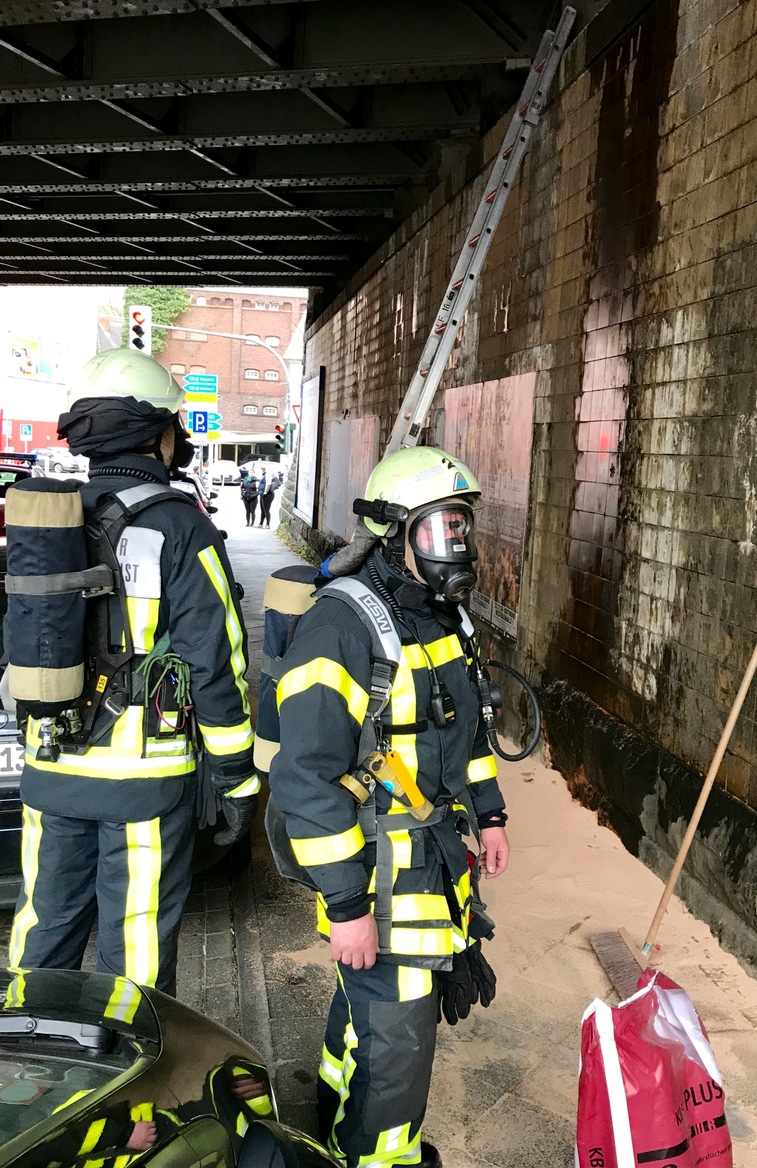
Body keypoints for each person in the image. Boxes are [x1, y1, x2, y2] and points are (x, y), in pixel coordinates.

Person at [268, 445, 509, 1168]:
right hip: (376, 877)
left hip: (432, 864)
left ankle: (337, 1117)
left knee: (368, 1012)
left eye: (460, 529)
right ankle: (381, 1157)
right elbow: (305, 778)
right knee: (398, 1042)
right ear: (395, 534)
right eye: (439, 531)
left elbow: (464, 734)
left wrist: (490, 813)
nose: (454, 548)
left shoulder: (441, 619)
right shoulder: (341, 628)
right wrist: (344, 906)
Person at [6, 348, 259, 995]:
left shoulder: (46, 523)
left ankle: (24, 1066)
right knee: (136, 946)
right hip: (143, 784)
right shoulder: (179, 527)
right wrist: (234, 776)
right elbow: (219, 659)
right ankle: (131, 1077)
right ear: (159, 432)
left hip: (51, 769)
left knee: (45, 930)